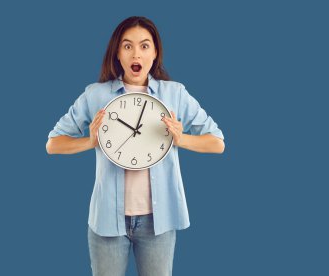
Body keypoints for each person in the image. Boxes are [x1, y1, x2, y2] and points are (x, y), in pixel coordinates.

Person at [46, 16, 225, 276]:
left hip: (158, 223)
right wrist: (89, 141)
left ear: (155, 52)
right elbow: (53, 143)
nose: (135, 54)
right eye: (127, 46)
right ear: (117, 53)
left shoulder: (174, 94)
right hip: (107, 221)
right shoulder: (95, 95)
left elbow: (217, 142)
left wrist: (181, 138)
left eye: (144, 45)